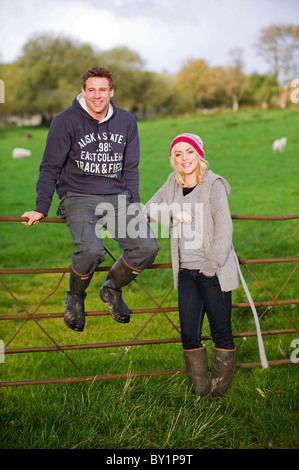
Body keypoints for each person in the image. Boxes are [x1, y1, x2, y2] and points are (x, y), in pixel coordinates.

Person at [21, 66, 159, 332]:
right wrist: (41, 207)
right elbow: (50, 166)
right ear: (83, 91)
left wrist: (137, 205)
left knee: (147, 247)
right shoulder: (65, 121)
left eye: (103, 90)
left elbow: (131, 168)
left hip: (118, 198)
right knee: (91, 249)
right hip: (78, 196)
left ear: (112, 91)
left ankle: (112, 289)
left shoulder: (127, 121)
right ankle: (75, 296)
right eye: (92, 90)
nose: (97, 96)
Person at [144, 133, 240, 397]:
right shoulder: (171, 184)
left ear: (199, 154)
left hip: (212, 271)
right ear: (172, 158)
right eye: (178, 153)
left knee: (221, 332)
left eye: (190, 152)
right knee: (188, 333)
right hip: (185, 274)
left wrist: (210, 266)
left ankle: (219, 395)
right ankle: (200, 394)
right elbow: (149, 209)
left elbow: (224, 228)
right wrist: (173, 212)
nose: (184, 158)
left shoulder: (213, 184)